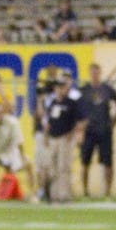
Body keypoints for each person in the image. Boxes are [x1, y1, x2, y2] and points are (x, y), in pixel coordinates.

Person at [79, 63, 116, 199]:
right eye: (93, 72)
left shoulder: (107, 89)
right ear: (89, 73)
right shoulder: (83, 90)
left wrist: (114, 122)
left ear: (100, 73)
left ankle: (108, 192)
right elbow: (75, 108)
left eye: (97, 72)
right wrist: (80, 126)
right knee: (85, 162)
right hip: (89, 131)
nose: (95, 75)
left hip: (104, 130)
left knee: (108, 162)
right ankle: (85, 191)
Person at [45, 75, 86, 203]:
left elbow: (80, 121)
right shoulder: (53, 103)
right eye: (57, 87)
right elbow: (49, 121)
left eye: (61, 87)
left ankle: (65, 195)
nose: (59, 89)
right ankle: (54, 195)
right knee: (53, 167)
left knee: (64, 167)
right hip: (53, 138)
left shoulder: (71, 103)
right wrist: (46, 135)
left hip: (64, 138)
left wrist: (72, 133)